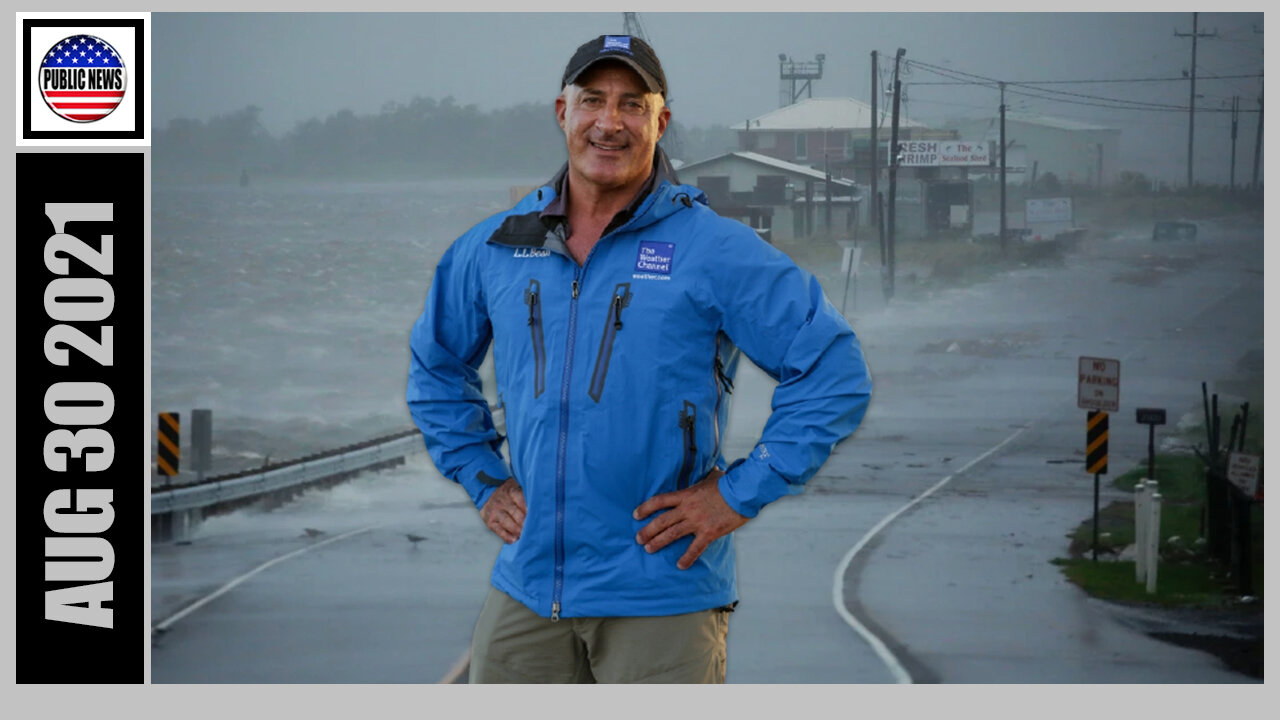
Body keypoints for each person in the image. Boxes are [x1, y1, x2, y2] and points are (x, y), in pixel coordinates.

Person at [407, 34, 872, 684]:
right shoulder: (498, 246)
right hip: (528, 592)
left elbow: (832, 370)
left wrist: (740, 491)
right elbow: (435, 365)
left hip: (663, 596)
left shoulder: (713, 248)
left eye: (632, 103)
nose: (610, 121)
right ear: (562, 112)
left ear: (661, 121)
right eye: (592, 100)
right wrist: (482, 477)